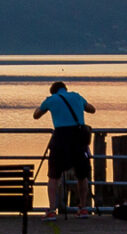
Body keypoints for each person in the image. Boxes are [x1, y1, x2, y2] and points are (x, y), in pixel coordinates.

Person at [31, 81, 96, 216]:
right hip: (79, 139)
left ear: (53, 91)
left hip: (60, 138)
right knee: (82, 175)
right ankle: (83, 208)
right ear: (65, 89)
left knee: (53, 176)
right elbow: (92, 109)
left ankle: (52, 209)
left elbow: (36, 115)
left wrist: (43, 107)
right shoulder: (77, 96)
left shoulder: (51, 100)